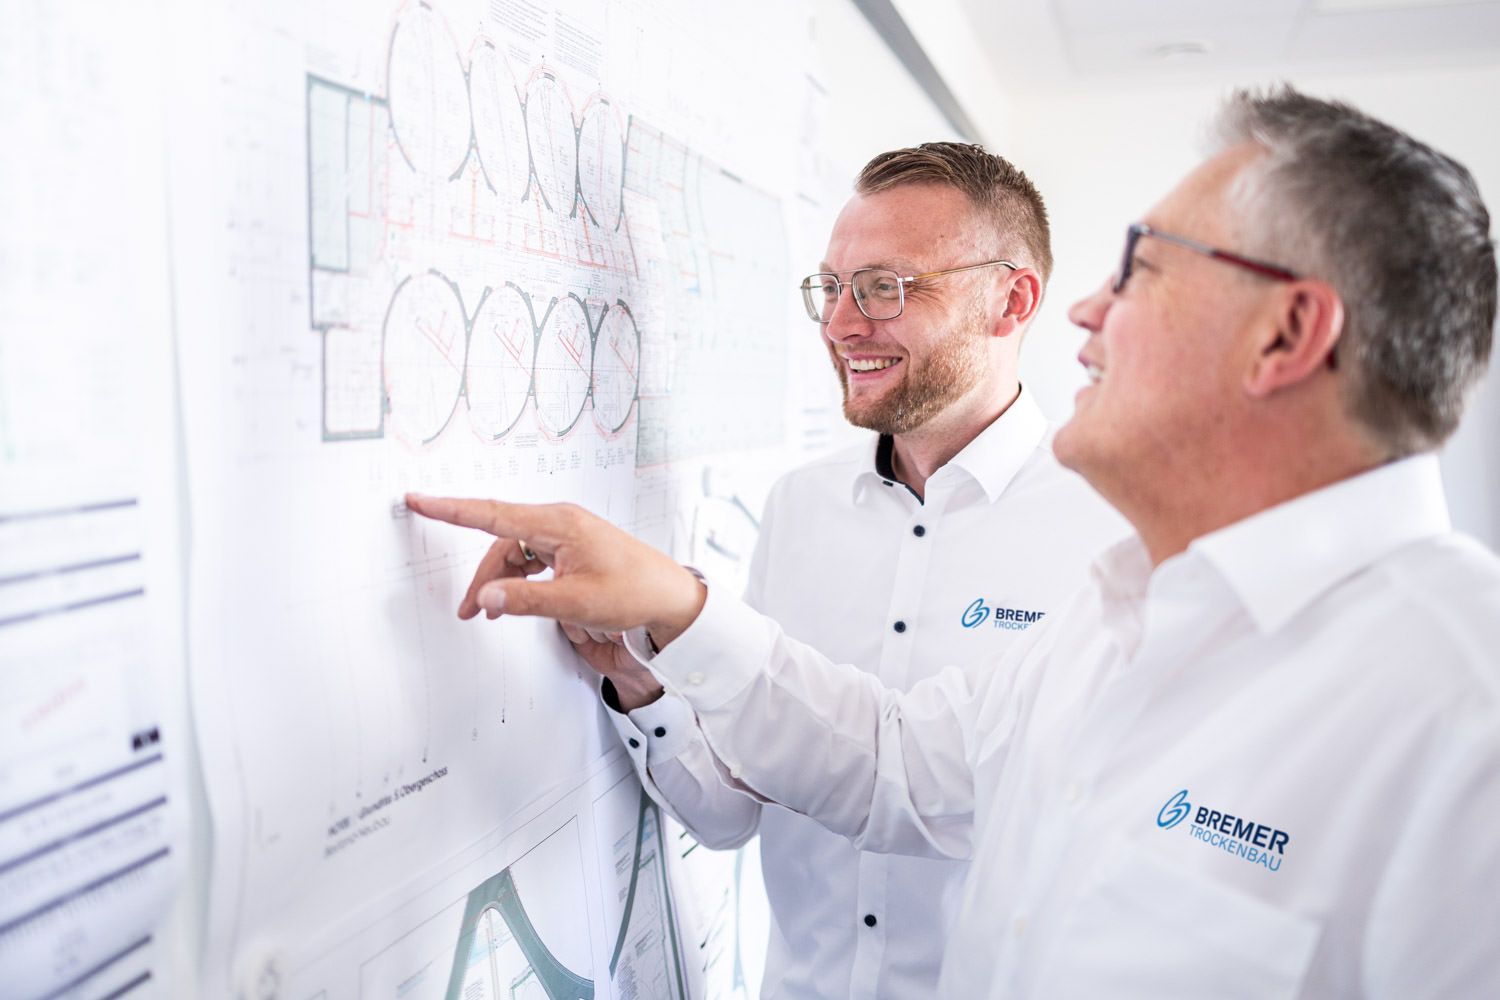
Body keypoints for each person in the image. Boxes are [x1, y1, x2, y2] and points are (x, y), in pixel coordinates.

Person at [407, 86, 1500, 998]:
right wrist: (670, 612)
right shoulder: (1119, 618)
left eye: (1145, 269)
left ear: (1286, 332)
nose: (1089, 310)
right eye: (834, 289)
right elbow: (889, 763)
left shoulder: (1466, 714)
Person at [583, 143, 1125, 999]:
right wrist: (640, 684)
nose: (839, 325)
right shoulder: (800, 507)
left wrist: (684, 610)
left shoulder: (1116, 535)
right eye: (831, 288)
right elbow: (733, 811)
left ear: (1011, 301)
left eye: (883, 288)